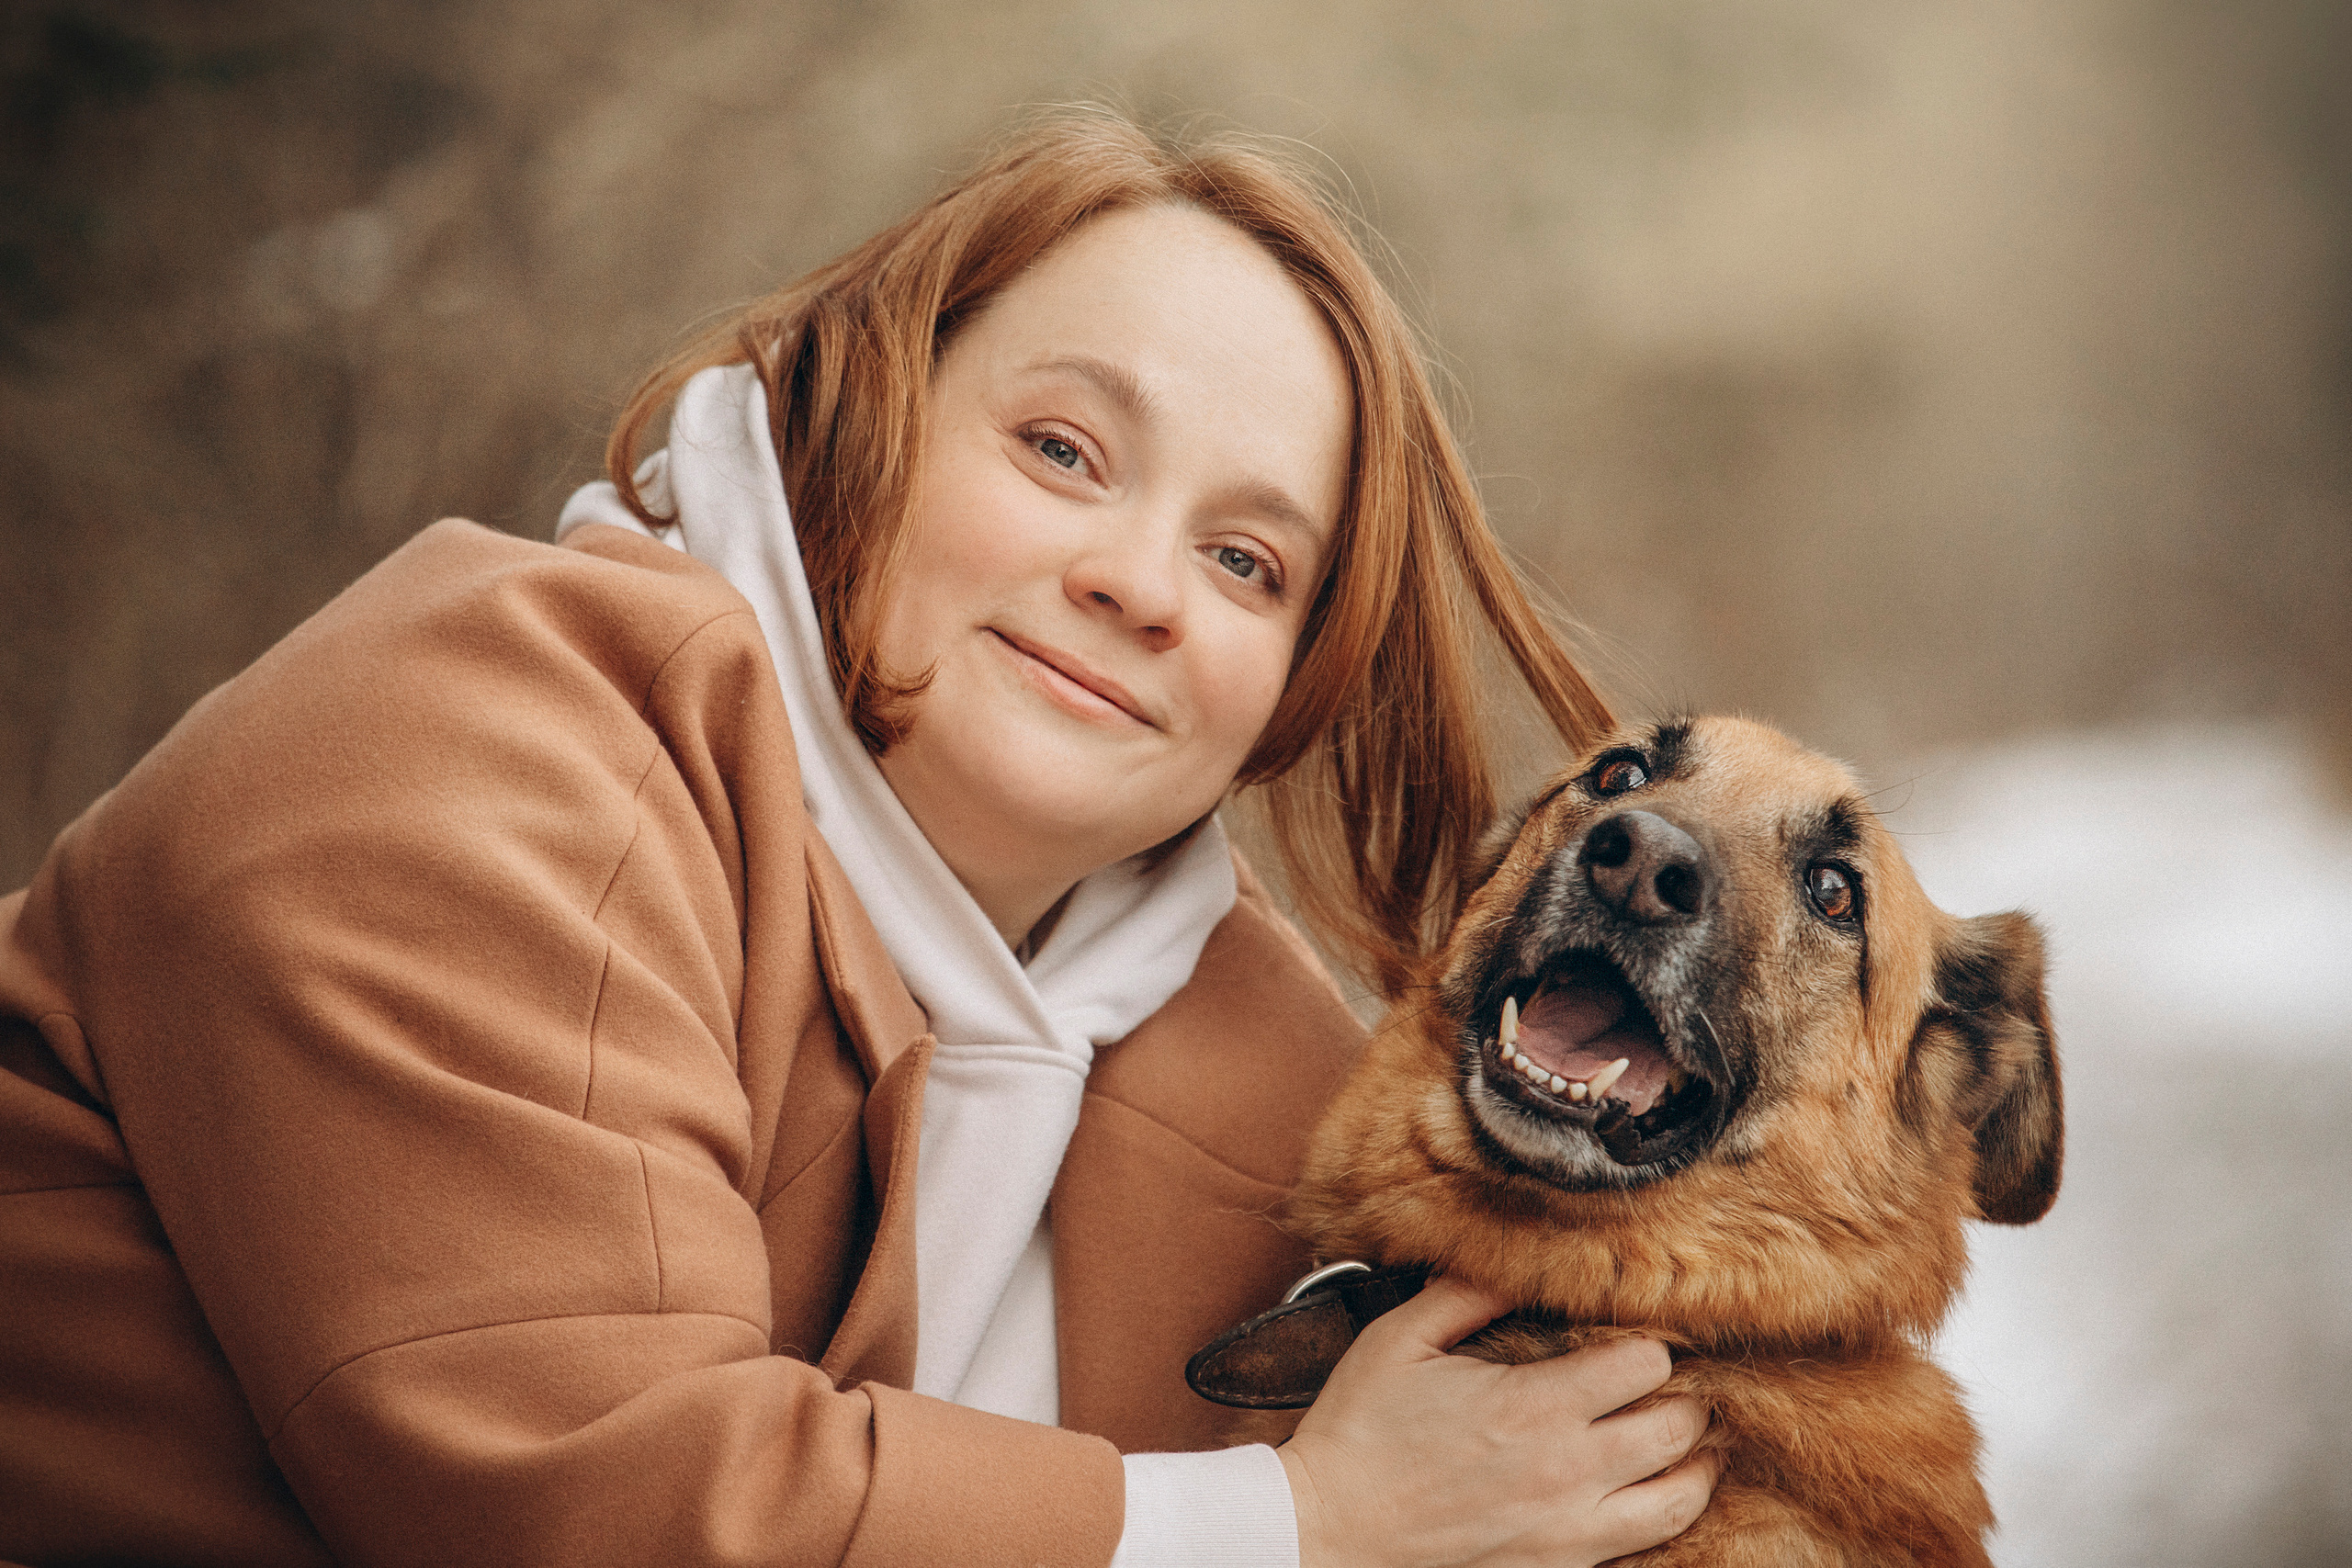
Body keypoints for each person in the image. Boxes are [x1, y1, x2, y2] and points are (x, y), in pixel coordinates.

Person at [0, 111, 1720, 1566]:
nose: (1140, 582)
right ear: (862, 409)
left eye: (1246, 563)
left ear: (1289, 685)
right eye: (1063, 450)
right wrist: (1293, 1526)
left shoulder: (1259, 1077)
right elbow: (590, 1500)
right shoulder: (466, 757)